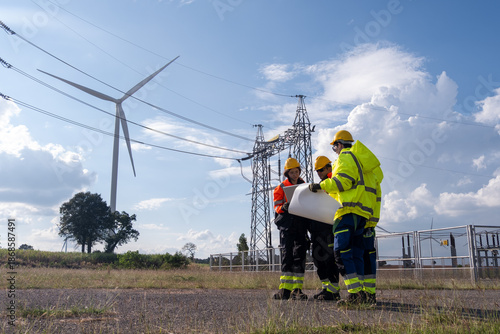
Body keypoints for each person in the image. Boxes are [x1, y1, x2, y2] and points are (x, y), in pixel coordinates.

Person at [309, 130, 381, 306]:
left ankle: (355, 294)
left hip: (347, 212)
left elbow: (343, 182)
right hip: (363, 216)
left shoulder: (346, 157)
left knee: (341, 252)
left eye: (334, 147)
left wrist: (321, 186)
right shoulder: (366, 166)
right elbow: (375, 194)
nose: (335, 152)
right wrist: (371, 219)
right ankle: (365, 294)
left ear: (339, 144)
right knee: (359, 255)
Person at [272, 157, 310, 300]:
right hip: (287, 226)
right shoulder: (280, 188)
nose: (295, 175)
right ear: (287, 173)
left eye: (297, 172)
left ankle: (297, 290)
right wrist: (284, 207)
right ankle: (285, 290)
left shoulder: (304, 186)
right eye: (292, 172)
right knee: (287, 255)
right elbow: (276, 206)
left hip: (300, 225)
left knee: (299, 256)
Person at [309, 156, 341, 301]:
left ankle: (334, 291)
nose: (319, 173)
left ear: (329, 168)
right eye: (317, 171)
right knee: (318, 260)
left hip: (328, 229)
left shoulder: (333, 182)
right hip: (317, 230)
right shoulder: (320, 186)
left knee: (329, 260)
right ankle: (326, 289)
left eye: (321, 170)